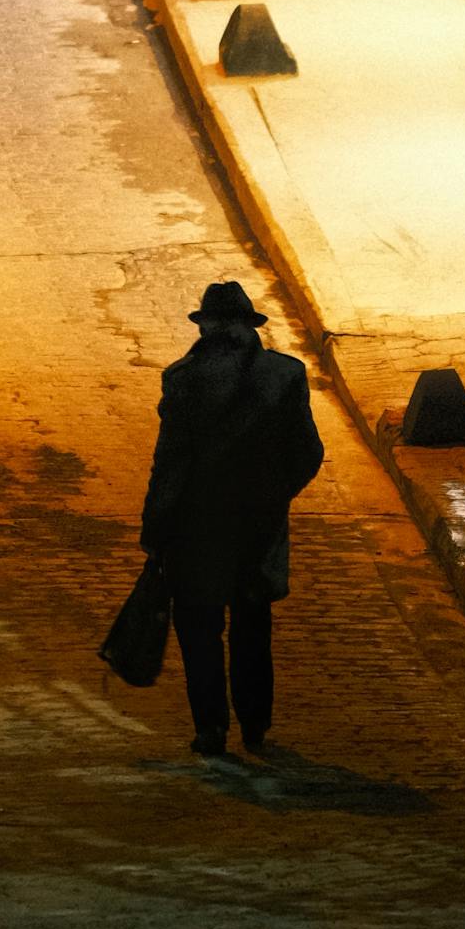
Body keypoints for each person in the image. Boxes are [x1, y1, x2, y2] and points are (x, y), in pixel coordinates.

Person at [139, 280, 323, 755]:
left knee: (199, 631)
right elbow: (307, 452)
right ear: (250, 328)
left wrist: (155, 528)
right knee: (251, 626)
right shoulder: (285, 375)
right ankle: (255, 723)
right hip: (256, 528)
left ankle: (211, 728)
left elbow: (170, 462)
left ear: (206, 327)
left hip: (193, 529)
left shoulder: (183, 379)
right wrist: (274, 497)